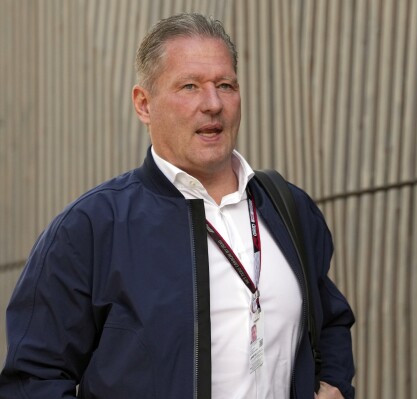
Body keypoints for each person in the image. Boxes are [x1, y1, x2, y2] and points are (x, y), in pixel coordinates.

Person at [0, 12, 355, 399]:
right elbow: (33, 380)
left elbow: (330, 319)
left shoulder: (288, 208)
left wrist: (335, 384)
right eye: (189, 86)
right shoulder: (90, 228)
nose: (213, 103)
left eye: (226, 85)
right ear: (144, 104)